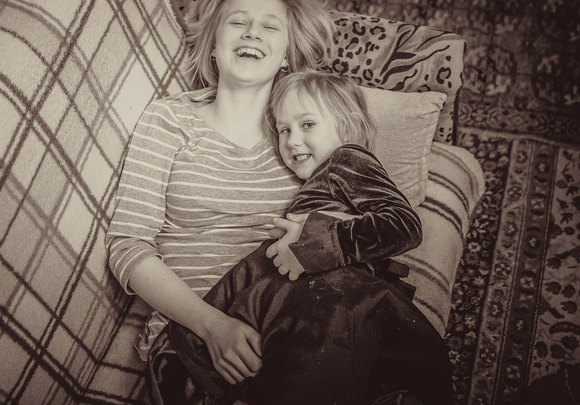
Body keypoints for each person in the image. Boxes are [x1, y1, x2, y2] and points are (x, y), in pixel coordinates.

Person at [105, 0, 335, 393]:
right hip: (193, 339)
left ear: (286, 56)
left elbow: (350, 202)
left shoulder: (302, 133)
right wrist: (212, 326)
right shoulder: (168, 120)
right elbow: (127, 244)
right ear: (213, 44)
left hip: (291, 323)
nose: (252, 33)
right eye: (238, 22)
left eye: (270, 26)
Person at [166, 70, 454, 404]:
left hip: (334, 289)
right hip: (297, 295)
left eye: (307, 124)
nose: (291, 140)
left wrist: (319, 244)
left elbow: (404, 224)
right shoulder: (318, 177)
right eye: (284, 129)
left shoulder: (347, 159)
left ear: (347, 125)